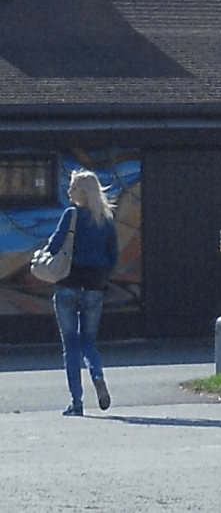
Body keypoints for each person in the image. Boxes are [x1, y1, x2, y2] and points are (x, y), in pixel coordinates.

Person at [46, 169, 119, 417]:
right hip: (95, 287)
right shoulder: (106, 219)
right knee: (89, 341)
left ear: (84, 192)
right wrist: (102, 276)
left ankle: (76, 402)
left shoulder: (71, 215)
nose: (69, 191)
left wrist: (45, 255)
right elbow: (113, 257)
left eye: (73, 187)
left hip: (68, 284)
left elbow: (54, 245)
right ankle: (97, 377)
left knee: (70, 345)